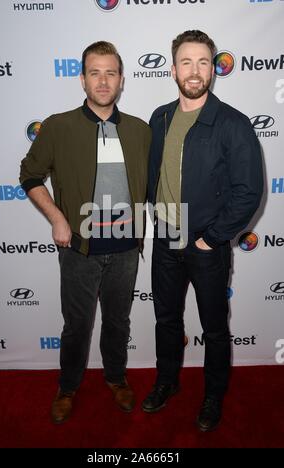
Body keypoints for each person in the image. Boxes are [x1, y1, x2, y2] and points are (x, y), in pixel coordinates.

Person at [20, 41, 151, 424]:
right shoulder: (59, 126)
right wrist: (57, 218)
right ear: (82, 79)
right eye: (95, 72)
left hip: (127, 248)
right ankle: (68, 387)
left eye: (111, 72)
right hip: (78, 247)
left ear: (122, 80)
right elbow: (29, 174)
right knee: (77, 324)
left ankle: (116, 378)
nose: (103, 80)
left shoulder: (141, 131)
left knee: (117, 321)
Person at [142, 30, 263, 431]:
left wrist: (211, 238)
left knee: (213, 327)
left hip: (206, 243)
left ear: (214, 68)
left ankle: (213, 394)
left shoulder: (232, 122)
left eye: (203, 62)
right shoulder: (158, 118)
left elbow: (249, 191)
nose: (195, 71)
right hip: (165, 239)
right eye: (187, 62)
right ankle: (167, 381)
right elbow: (152, 174)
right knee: (166, 320)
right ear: (173, 68)